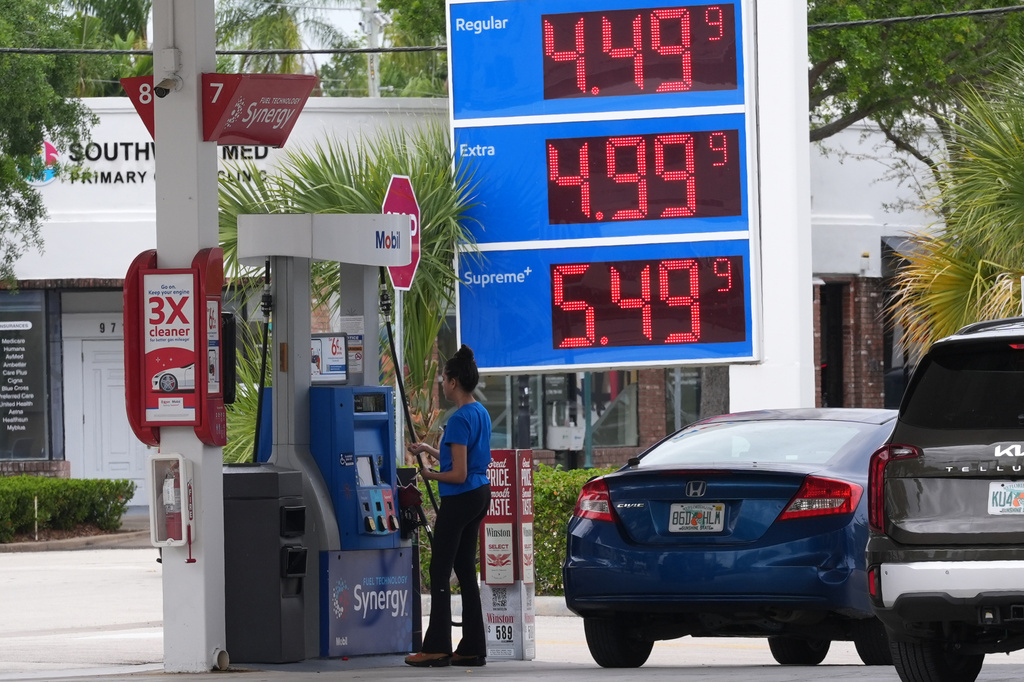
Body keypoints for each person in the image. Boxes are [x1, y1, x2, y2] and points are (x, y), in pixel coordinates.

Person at [404, 345, 492, 668]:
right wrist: (428, 447)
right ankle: (472, 646)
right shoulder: (479, 412)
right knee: (466, 571)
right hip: (481, 494)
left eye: (444, 378)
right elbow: (466, 457)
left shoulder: (457, 420)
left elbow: (457, 472)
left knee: (439, 570)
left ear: (454, 382)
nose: (442, 383)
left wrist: (427, 472)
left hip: (460, 498)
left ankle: (437, 646)